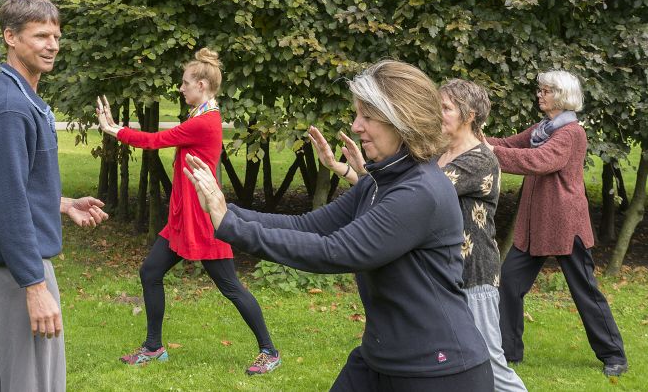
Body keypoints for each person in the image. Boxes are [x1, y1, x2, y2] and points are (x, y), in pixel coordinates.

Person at [184, 60, 494, 391]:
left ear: (403, 121)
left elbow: (336, 251)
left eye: (368, 116)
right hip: (379, 359)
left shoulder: (420, 191)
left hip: (438, 372)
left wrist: (232, 227)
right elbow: (310, 226)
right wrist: (228, 212)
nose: (356, 126)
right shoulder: (379, 182)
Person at [309, 79, 528, 391]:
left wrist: (369, 174)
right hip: (439, 277)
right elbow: (396, 197)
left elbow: (411, 198)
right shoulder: (437, 155)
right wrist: (352, 172)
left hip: (473, 275)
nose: (437, 115)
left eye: (446, 108)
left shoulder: (479, 158)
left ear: (468, 116)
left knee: (494, 368)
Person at [0, 0, 109, 392]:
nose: (52, 45)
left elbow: (8, 186)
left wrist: (59, 203)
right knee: (33, 381)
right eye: (41, 35)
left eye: (56, 35)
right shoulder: (12, 108)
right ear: (11, 37)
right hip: (14, 269)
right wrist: (35, 287)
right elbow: (4, 203)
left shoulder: (19, 97)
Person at [96, 48, 280, 375]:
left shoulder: (205, 122)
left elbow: (156, 140)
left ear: (202, 85)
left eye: (185, 83)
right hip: (183, 219)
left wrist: (114, 130)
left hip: (204, 221)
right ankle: (154, 347)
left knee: (231, 287)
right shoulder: (200, 115)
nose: (180, 89)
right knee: (150, 272)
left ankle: (269, 351)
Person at [484, 70, 628, 377]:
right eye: (541, 90)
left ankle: (614, 355)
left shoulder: (570, 133)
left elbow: (539, 161)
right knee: (508, 283)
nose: (540, 94)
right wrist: (474, 139)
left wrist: (490, 152)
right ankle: (510, 353)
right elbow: (510, 143)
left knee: (584, 291)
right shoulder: (543, 128)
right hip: (534, 225)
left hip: (566, 224)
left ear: (561, 95)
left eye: (546, 91)